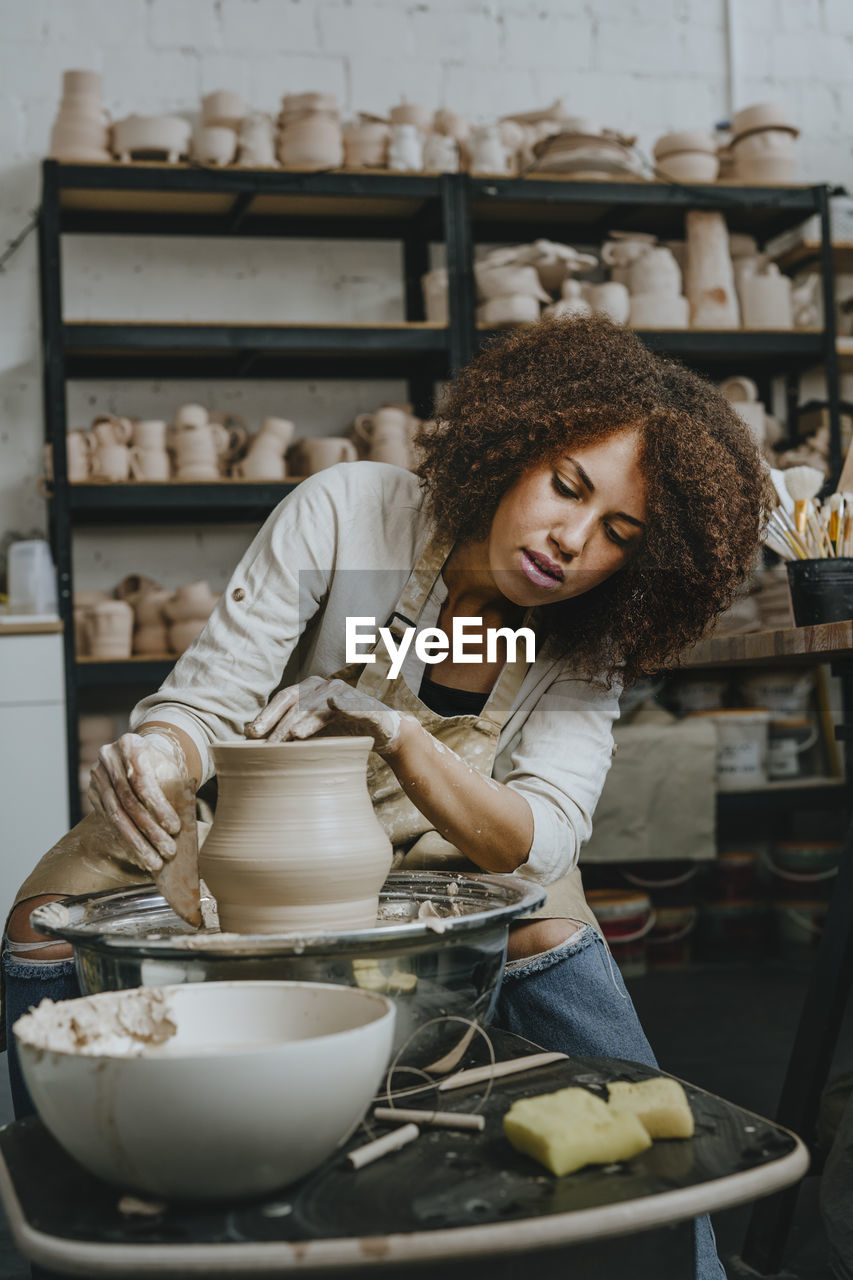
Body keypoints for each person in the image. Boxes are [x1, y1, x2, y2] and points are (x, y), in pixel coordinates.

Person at [5, 317, 768, 1278]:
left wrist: (397, 730)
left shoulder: (588, 637)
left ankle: (682, 1247)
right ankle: (61, 1226)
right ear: (517, 444)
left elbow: (536, 841)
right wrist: (156, 757)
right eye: (566, 487)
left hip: (451, 835)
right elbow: (210, 700)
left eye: (619, 533)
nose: (570, 542)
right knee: (45, 914)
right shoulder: (351, 511)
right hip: (245, 815)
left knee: (550, 924)